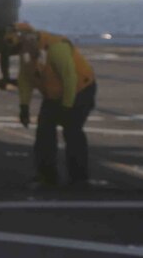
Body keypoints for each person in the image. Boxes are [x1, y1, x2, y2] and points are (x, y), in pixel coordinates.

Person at [14, 23, 97, 189]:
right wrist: (24, 106)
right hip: (53, 94)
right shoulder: (26, 52)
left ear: (30, 38)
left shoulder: (56, 48)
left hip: (80, 90)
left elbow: (70, 79)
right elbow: (25, 78)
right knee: (44, 132)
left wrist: (67, 107)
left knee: (72, 131)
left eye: (21, 45)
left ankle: (79, 179)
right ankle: (47, 177)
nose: (20, 50)